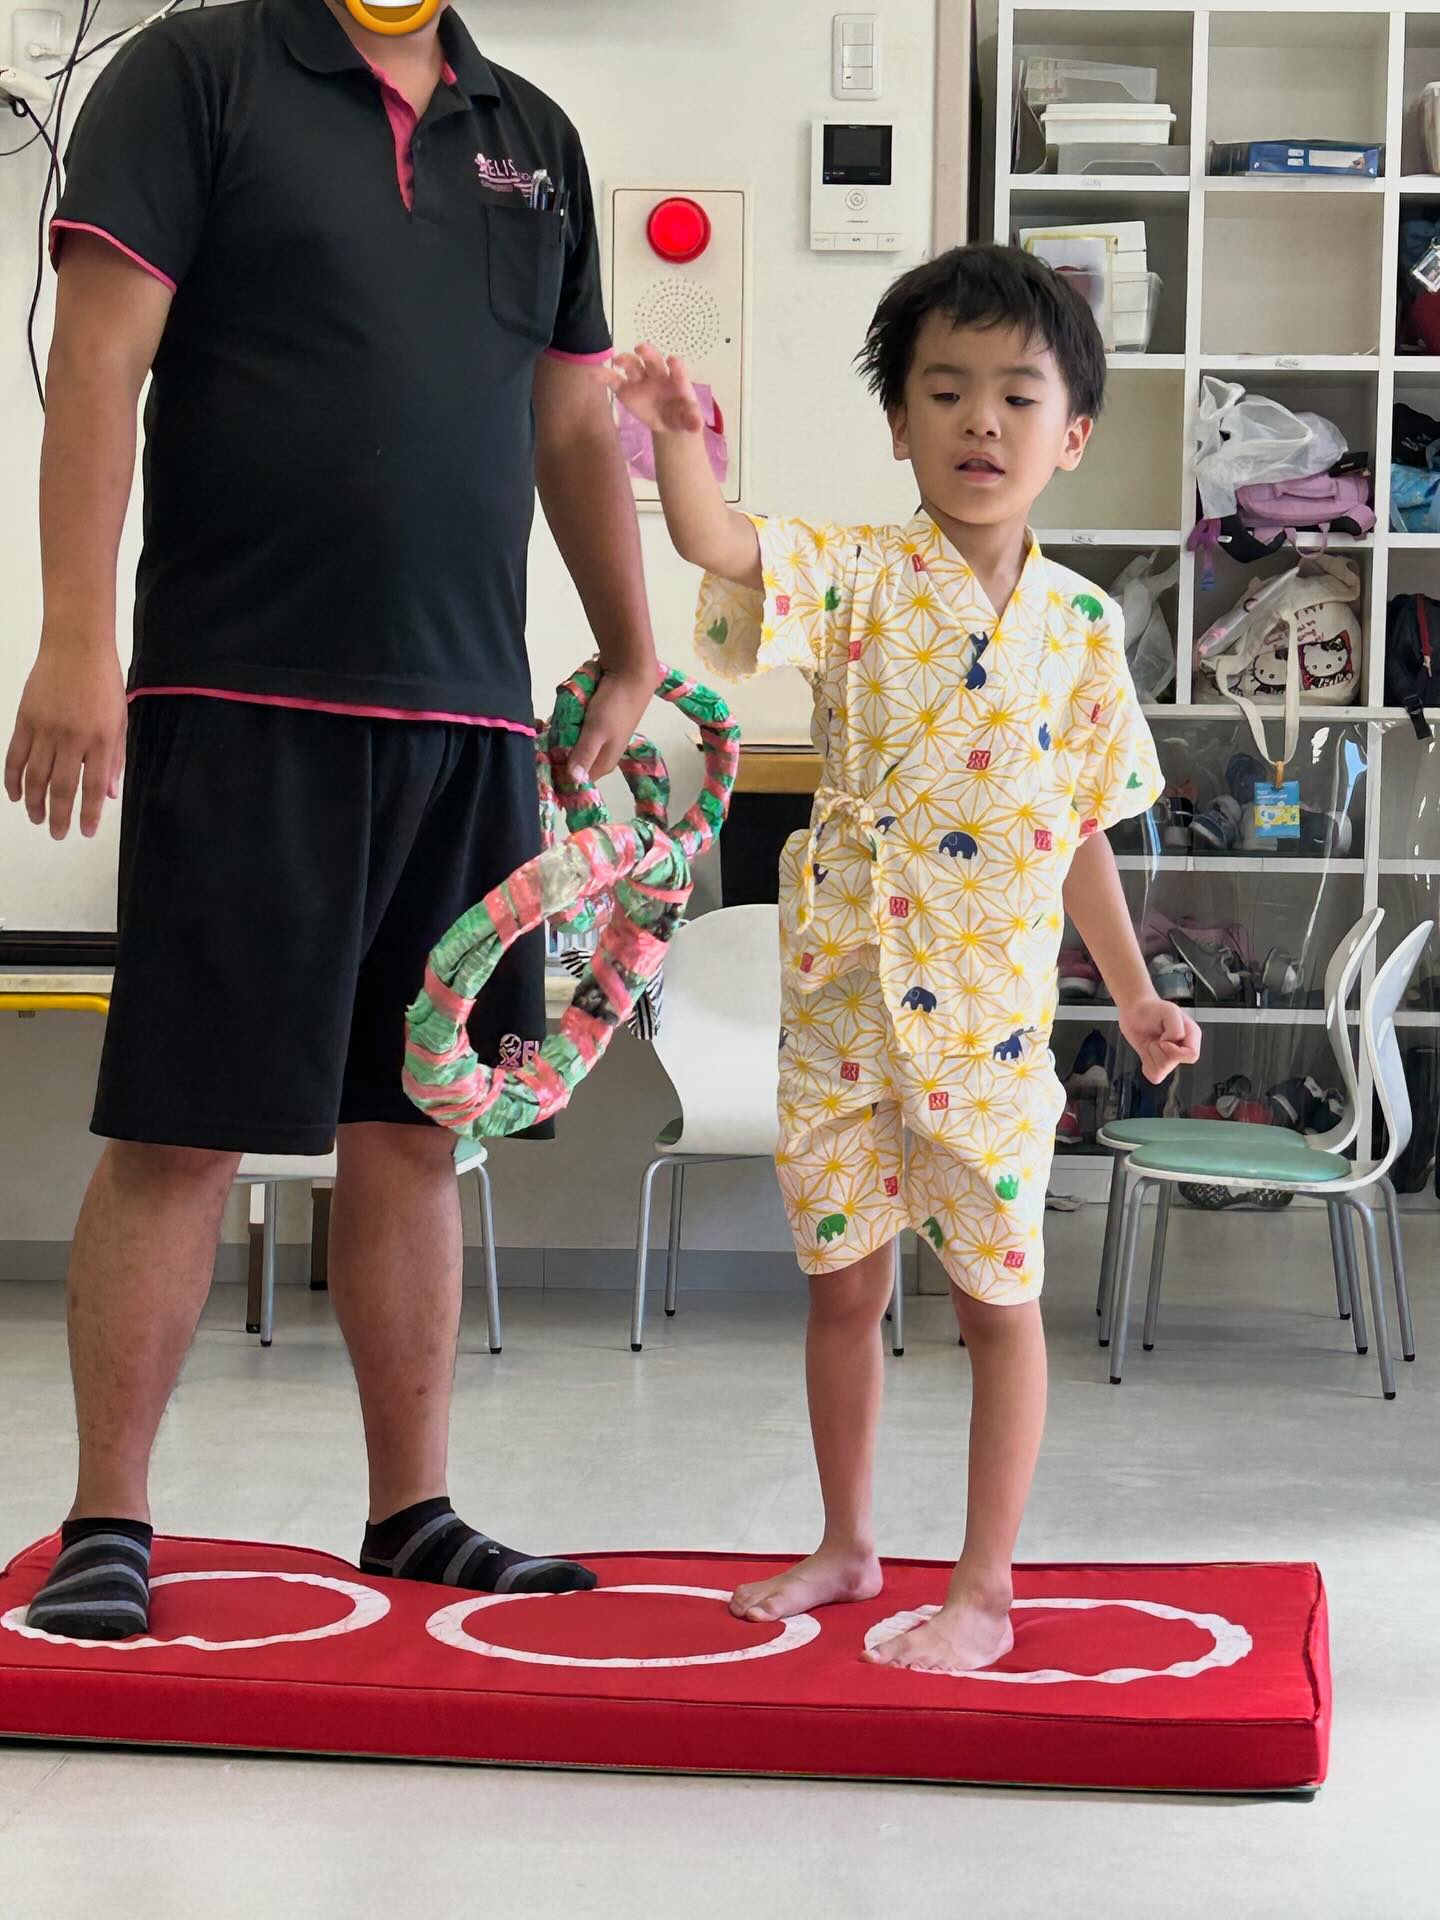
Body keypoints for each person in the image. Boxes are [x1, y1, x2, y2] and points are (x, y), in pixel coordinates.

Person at [5, 0, 657, 1639]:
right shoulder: (196, 72)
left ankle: (411, 1512)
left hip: (469, 715)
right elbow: (97, 362)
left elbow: (573, 420)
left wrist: (631, 646)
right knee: (183, 1129)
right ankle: (108, 1517)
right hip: (243, 696)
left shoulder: (533, 138)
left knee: (419, 1129)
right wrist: (76, 637)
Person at [608, 244, 1201, 1674]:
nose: (979, 421)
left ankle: (986, 1585)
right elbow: (717, 541)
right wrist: (680, 438)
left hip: (993, 1024)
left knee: (999, 1303)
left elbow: (1080, 831)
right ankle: (849, 1543)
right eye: (945, 391)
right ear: (899, 423)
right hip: (845, 1006)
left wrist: (1132, 991)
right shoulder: (858, 575)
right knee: (843, 1290)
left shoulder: (1081, 628)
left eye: (1016, 396)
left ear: (1072, 435)